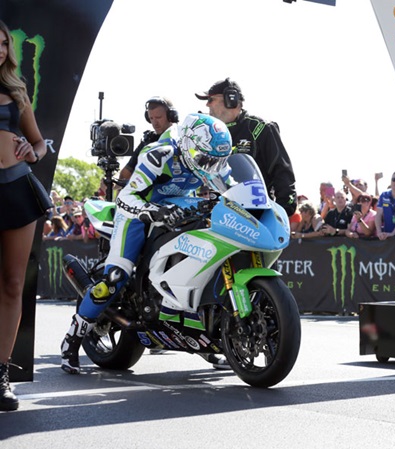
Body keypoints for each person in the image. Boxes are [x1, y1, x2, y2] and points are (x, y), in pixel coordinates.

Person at [59, 113, 233, 374]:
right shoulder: (159, 155)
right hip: (137, 216)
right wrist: (154, 212)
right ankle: (71, 341)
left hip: (181, 213)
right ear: (188, 144)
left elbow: (232, 189)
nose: (211, 166)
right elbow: (125, 197)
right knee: (115, 277)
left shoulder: (211, 161)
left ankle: (207, 341)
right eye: (205, 159)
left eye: (217, 161)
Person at [0, 19, 51, 412]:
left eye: (4, 45)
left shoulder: (17, 92)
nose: (0, 50)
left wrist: (31, 152)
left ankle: (0, 374)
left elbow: (38, 144)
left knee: (14, 284)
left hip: (17, 189)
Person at [195, 78, 297, 216]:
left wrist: (282, 212)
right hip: (218, 216)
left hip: (255, 215)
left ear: (231, 99)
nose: (207, 105)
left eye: (211, 99)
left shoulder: (260, 129)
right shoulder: (208, 134)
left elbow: (281, 171)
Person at [119, 96, 179, 181]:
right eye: (151, 118)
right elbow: (125, 174)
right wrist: (110, 183)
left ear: (171, 116)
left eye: (158, 117)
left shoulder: (185, 140)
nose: (154, 123)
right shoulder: (148, 142)